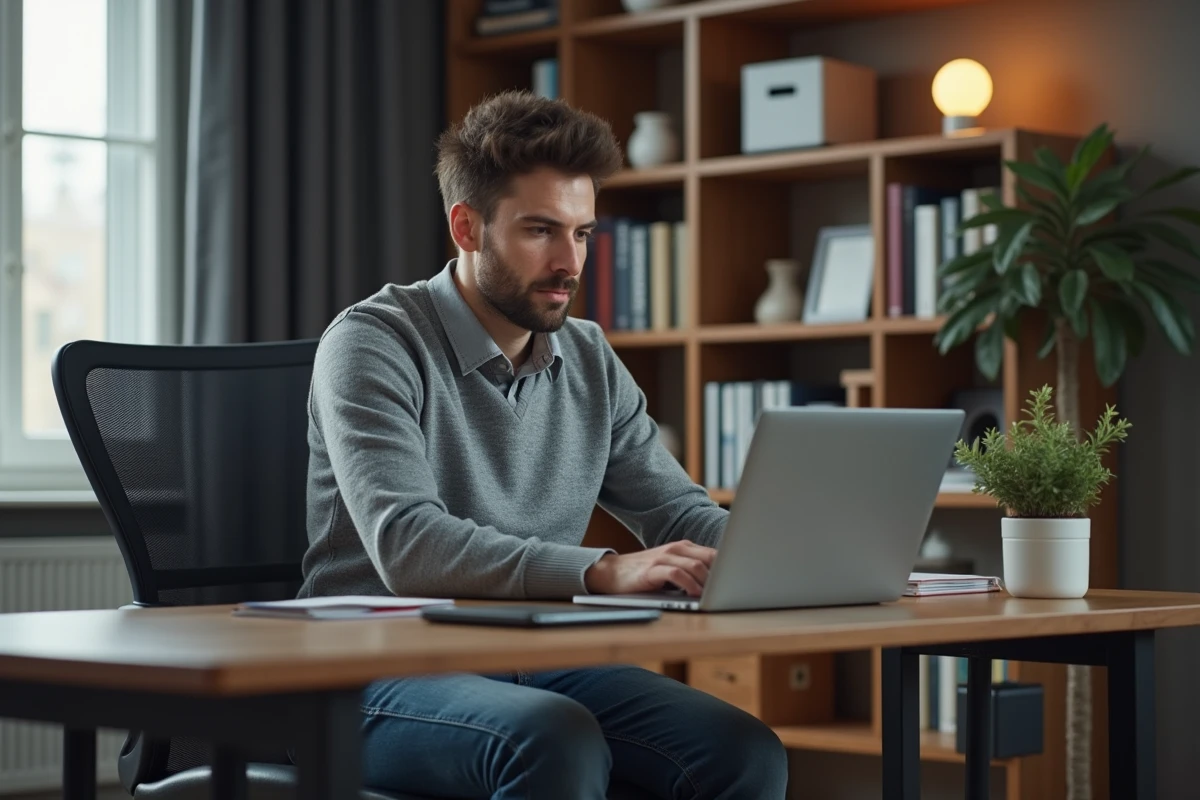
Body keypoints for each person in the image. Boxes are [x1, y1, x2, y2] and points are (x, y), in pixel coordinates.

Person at [299, 89, 788, 800]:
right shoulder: (373, 341)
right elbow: (408, 543)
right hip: (366, 671)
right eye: (540, 231)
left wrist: (793, 563)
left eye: (583, 233)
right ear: (466, 227)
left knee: (741, 750)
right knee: (552, 739)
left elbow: (677, 513)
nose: (570, 261)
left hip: (534, 659)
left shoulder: (587, 355)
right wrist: (602, 571)